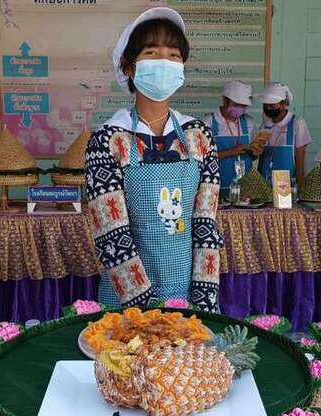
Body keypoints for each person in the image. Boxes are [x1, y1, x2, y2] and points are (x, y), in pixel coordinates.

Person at [84, 7, 224, 311]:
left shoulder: (199, 136)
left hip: (188, 297)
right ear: (129, 67)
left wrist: (204, 301)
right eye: (151, 52)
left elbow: (206, 224)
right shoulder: (109, 139)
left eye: (173, 55)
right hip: (128, 302)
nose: (164, 61)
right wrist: (146, 312)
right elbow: (111, 235)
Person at [202, 80, 263, 193]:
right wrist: (230, 152)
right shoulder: (208, 122)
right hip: (216, 188)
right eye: (236, 105)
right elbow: (202, 158)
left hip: (245, 189)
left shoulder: (249, 122)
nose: (240, 108)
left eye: (243, 106)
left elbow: (253, 156)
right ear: (225, 100)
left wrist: (255, 152)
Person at [257, 82, 312, 183]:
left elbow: (300, 161)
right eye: (265, 105)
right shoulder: (264, 126)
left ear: (283, 105)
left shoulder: (297, 123)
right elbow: (261, 159)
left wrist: (299, 185)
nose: (268, 108)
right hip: (266, 184)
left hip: (287, 185)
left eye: (272, 106)